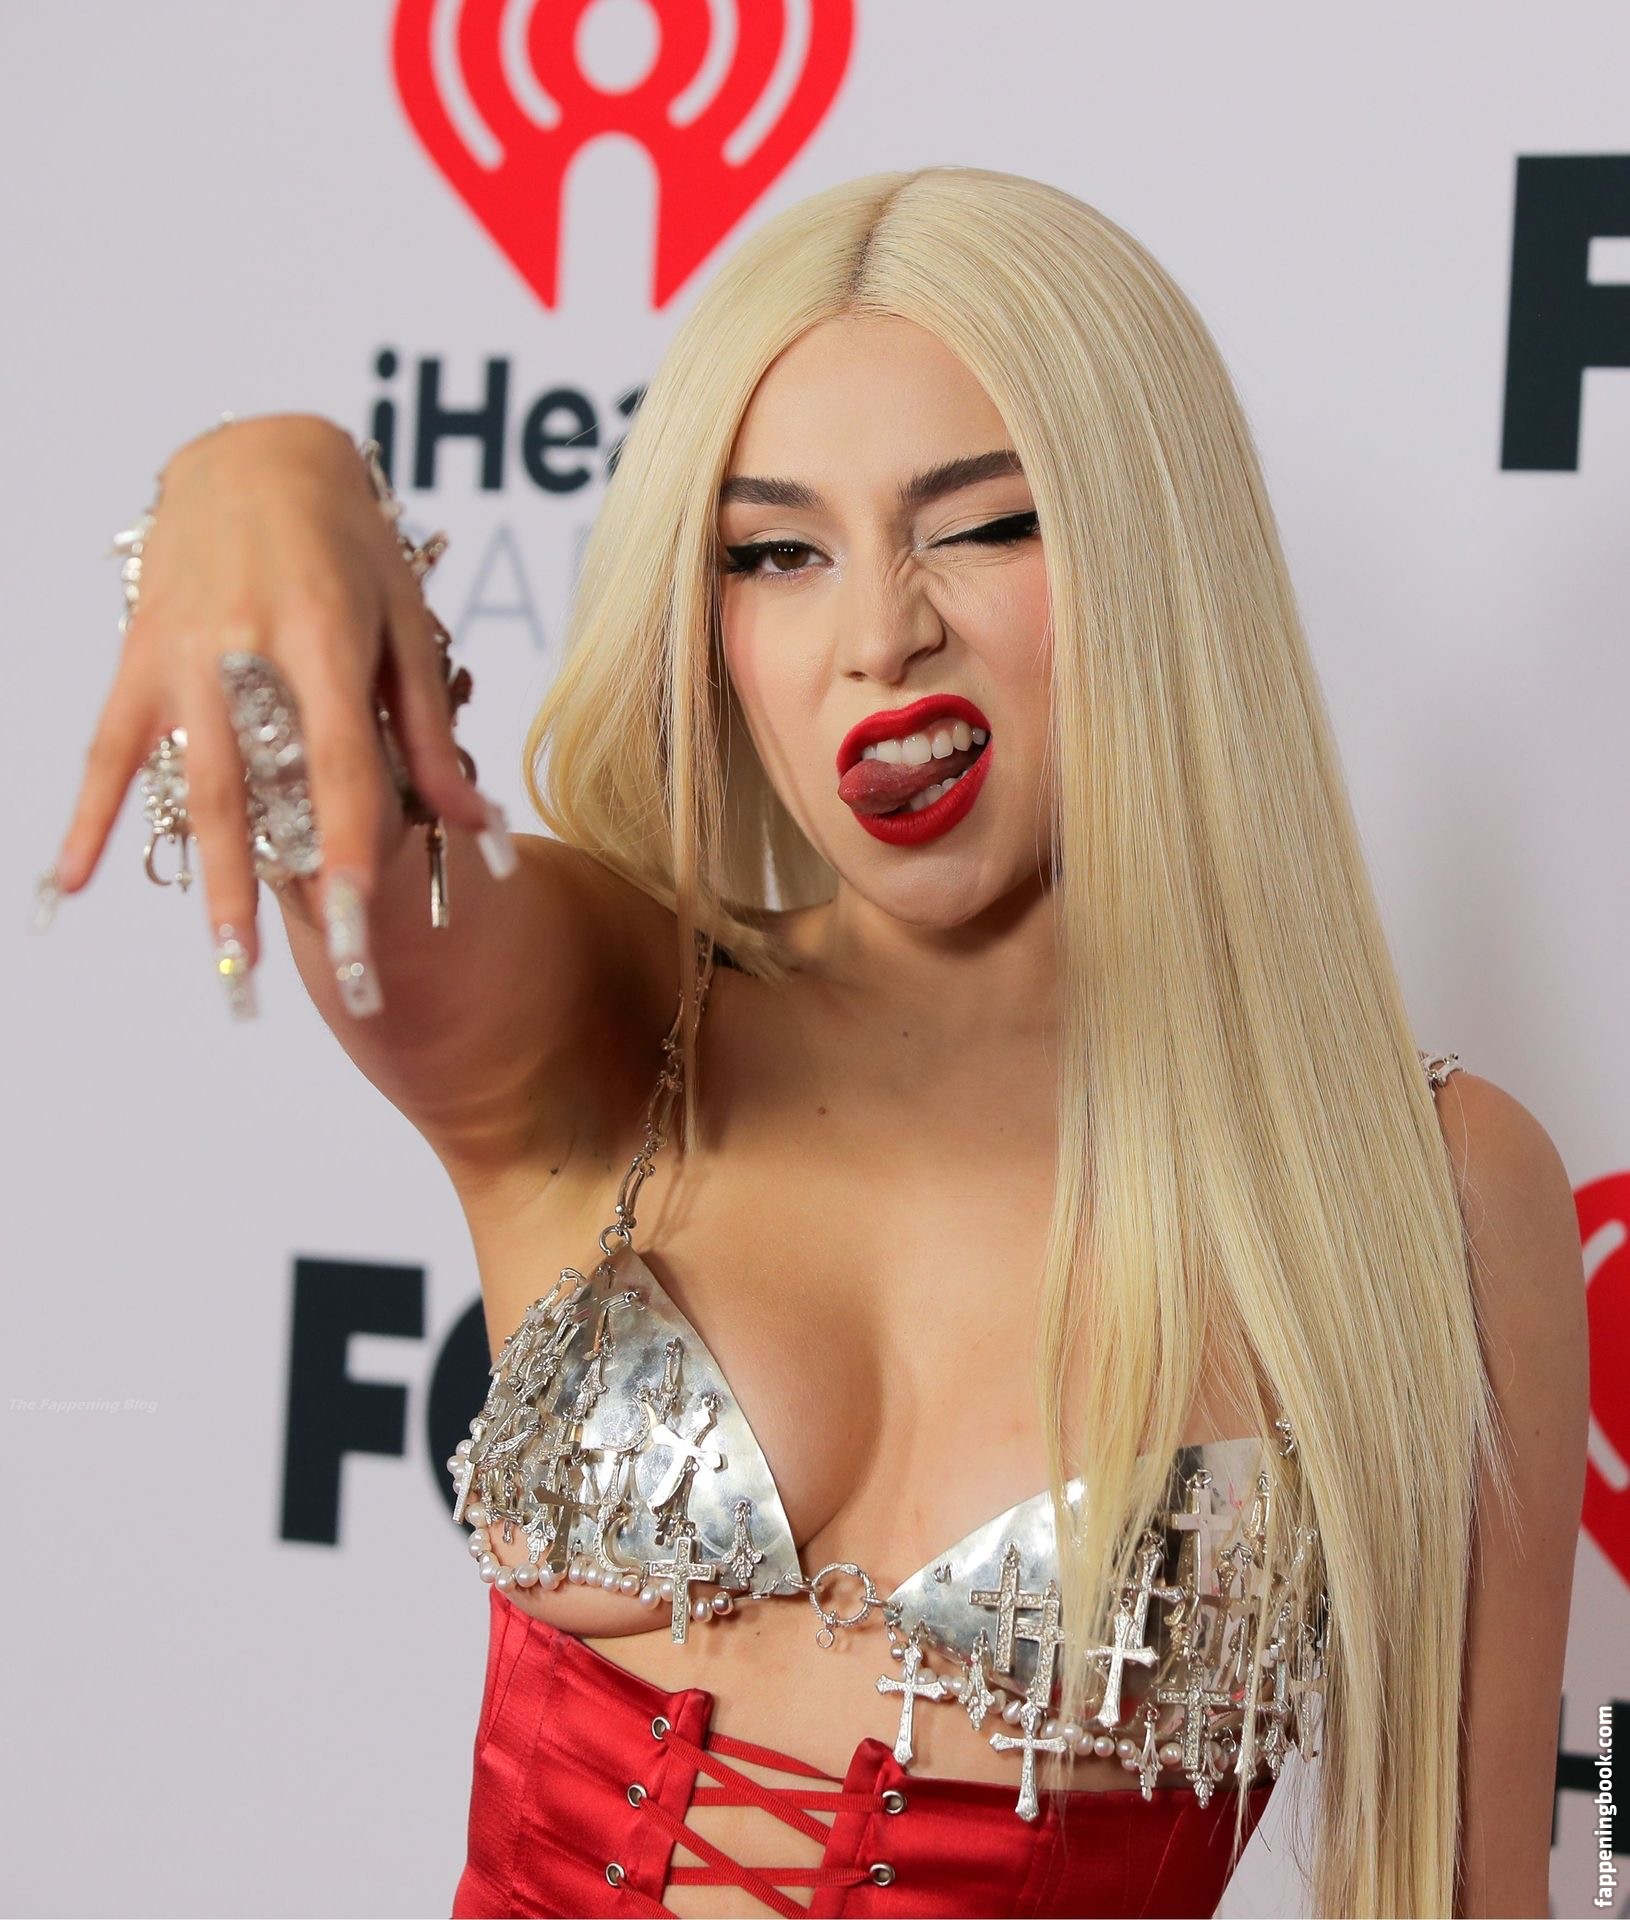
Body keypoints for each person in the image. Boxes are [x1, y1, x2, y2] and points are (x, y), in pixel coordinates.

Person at [43, 166, 1588, 1919]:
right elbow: (333, 832)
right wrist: (262, 473)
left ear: (1158, 554)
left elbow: (1468, 1890)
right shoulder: (617, 1004)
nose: (878, 636)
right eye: (776, 553)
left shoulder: (1418, 1190)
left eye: (982, 527)